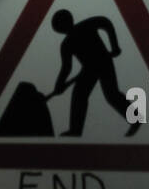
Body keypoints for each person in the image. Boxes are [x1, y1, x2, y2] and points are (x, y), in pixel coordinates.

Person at [50, 9, 140, 138]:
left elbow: (106, 22)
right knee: (79, 95)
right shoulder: (66, 44)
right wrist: (59, 84)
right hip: (88, 69)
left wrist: (114, 46)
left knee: (111, 94)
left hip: (103, 62)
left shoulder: (85, 26)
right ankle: (75, 130)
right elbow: (66, 67)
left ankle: (135, 118)